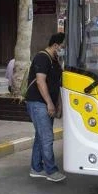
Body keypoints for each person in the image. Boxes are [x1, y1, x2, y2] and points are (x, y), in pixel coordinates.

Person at [26, 33, 67, 182]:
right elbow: (40, 81)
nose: (64, 49)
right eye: (63, 46)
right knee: (47, 137)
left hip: (47, 103)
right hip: (38, 103)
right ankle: (51, 170)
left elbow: (56, 84)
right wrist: (49, 103)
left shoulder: (55, 60)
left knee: (41, 136)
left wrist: (59, 103)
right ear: (55, 45)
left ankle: (36, 168)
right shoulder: (42, 57)